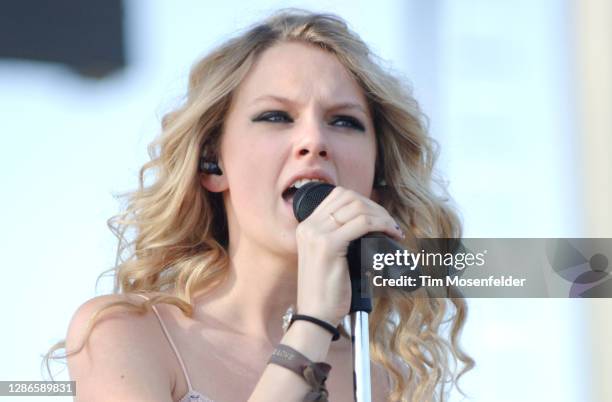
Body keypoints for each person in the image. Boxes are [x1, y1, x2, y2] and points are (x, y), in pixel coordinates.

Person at [44, 9, 473, 402]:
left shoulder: (381, 381)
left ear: (376, 181)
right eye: (275, 116)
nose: (314, 142)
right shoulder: (127, 336)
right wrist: (312, 325)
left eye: (344, 121)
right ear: (213, 163)